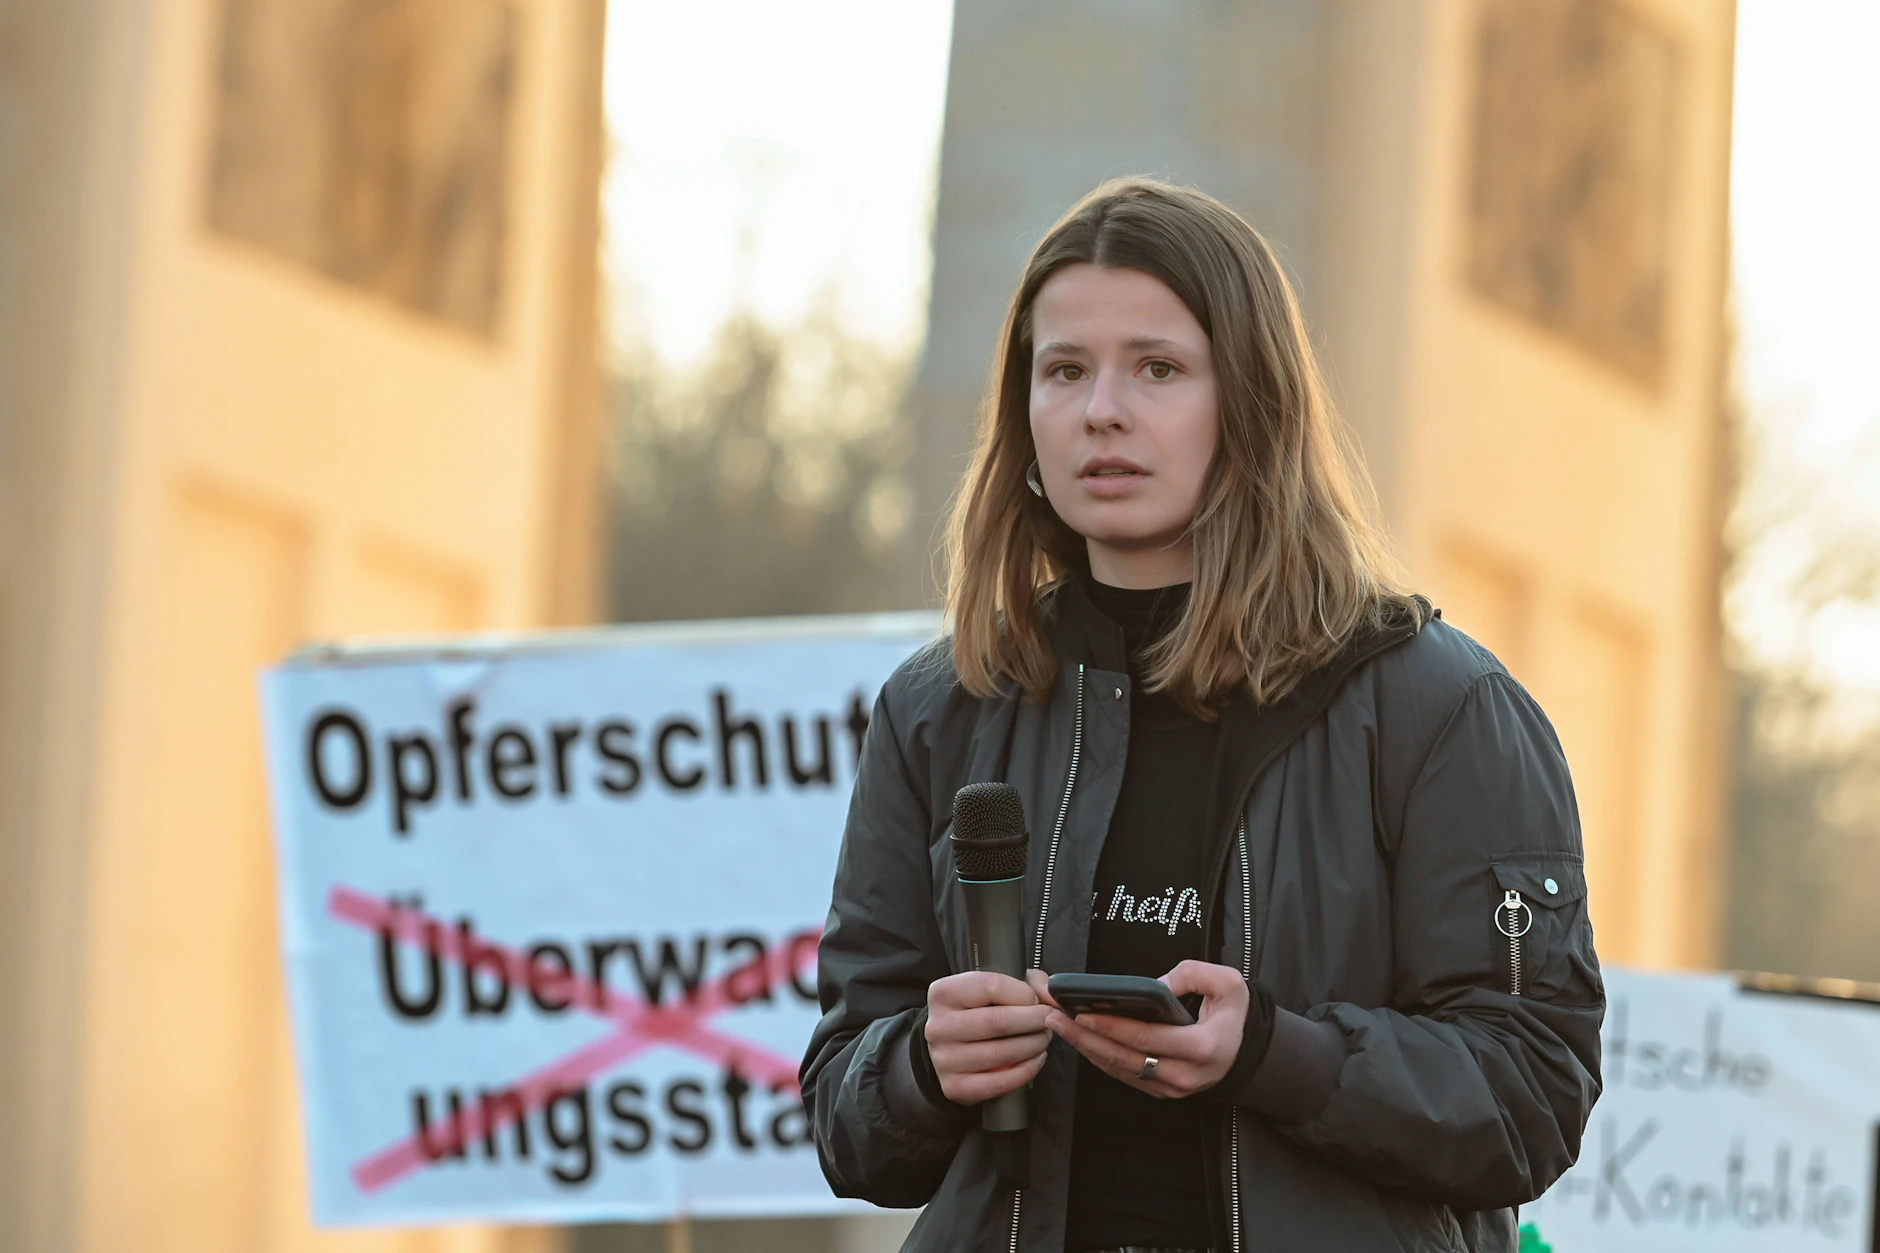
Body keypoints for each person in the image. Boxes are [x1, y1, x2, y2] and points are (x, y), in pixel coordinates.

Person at [800, 178, 1602, 1253]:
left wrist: (1270, 1050)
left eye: (1159, 368)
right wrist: (918, 1067)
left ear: (1251, 401)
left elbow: (1532, 1089)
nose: (1101, 411)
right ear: (1022, 412)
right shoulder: (937, 709)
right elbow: (848, 1116)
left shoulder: (1441, 707)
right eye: (1064, 370)